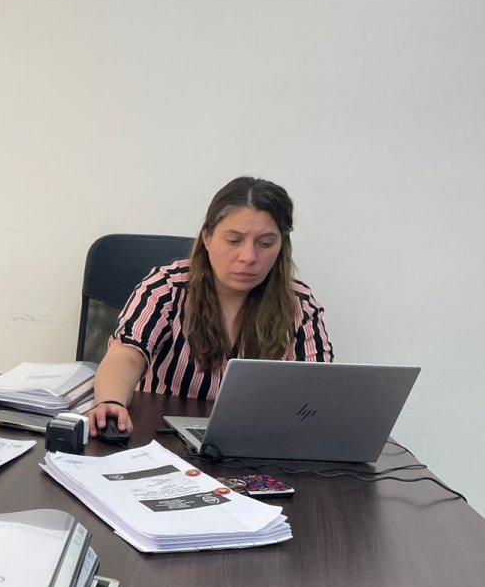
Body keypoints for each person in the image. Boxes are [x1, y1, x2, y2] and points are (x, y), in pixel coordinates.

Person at [88, 176, 332, 436]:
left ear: (282, 246)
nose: (248, 257)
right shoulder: (167, 288)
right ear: (207, 237)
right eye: (234, 241)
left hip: (254, 439)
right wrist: (111, 402)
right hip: (159, 435)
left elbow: (316, 388)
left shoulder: (299, 306)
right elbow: (126, 356)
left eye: (265, 243)